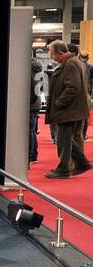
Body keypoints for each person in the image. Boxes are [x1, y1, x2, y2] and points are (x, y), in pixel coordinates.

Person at [45, 40, 91, 179]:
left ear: (60, 53)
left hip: (68, 110)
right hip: (73, 110)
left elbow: (73, 87)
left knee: (64, 139)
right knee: (67, 139)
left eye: (52, 54)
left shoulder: (70, 64)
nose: (51, 57)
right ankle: (81, 163)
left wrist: (59, 103)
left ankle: (64, 169)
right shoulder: (74, 62)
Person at [30, 53, 43, 163]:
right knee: (32, 130)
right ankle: (33, 154)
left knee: (30, 131)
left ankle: (30, 155)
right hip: (36, 103)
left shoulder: (28, 69)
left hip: (31, 104)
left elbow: (32, 89)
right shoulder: (37, 67)